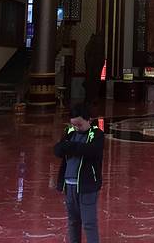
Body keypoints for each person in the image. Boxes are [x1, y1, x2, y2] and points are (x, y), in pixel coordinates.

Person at [54, 103, 105, 243]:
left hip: (87, 185)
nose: (76, 128)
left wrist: (70, 147)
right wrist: (68, 146)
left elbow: (92, 150)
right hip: (69, 185)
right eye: (74, 125)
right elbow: (58, 150)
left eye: (79, 125)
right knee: (73, 221)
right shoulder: (70, 132)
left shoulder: (96, 134)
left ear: (89, 120)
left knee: (89, 223)